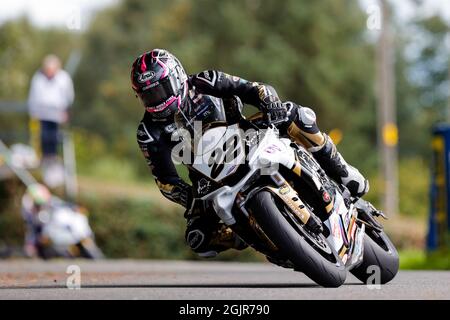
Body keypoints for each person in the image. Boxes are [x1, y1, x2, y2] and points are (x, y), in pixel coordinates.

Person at [131, 49, 369, 257]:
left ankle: (344, 172)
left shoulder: (207, 81)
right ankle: (260, 233)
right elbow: (165, 181)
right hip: (208, 175)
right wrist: (189, 198)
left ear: (176, 76)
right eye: (147, 95)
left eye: (161, 90)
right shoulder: (148, 132)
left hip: (246, 134)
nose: (156, 100)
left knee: (295, 114)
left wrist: (269, 102)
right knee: (199, 239)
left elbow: (253, 89)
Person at [28, 55, 74, 164]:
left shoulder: (63, 77)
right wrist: (33, 111)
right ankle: (44, 157)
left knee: (54, 136)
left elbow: (68, 95)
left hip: (57, 112)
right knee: (43, 136)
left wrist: (66, 110)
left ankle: (53, 156)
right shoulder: (38, 77)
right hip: (42, 112)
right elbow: (33, 96)